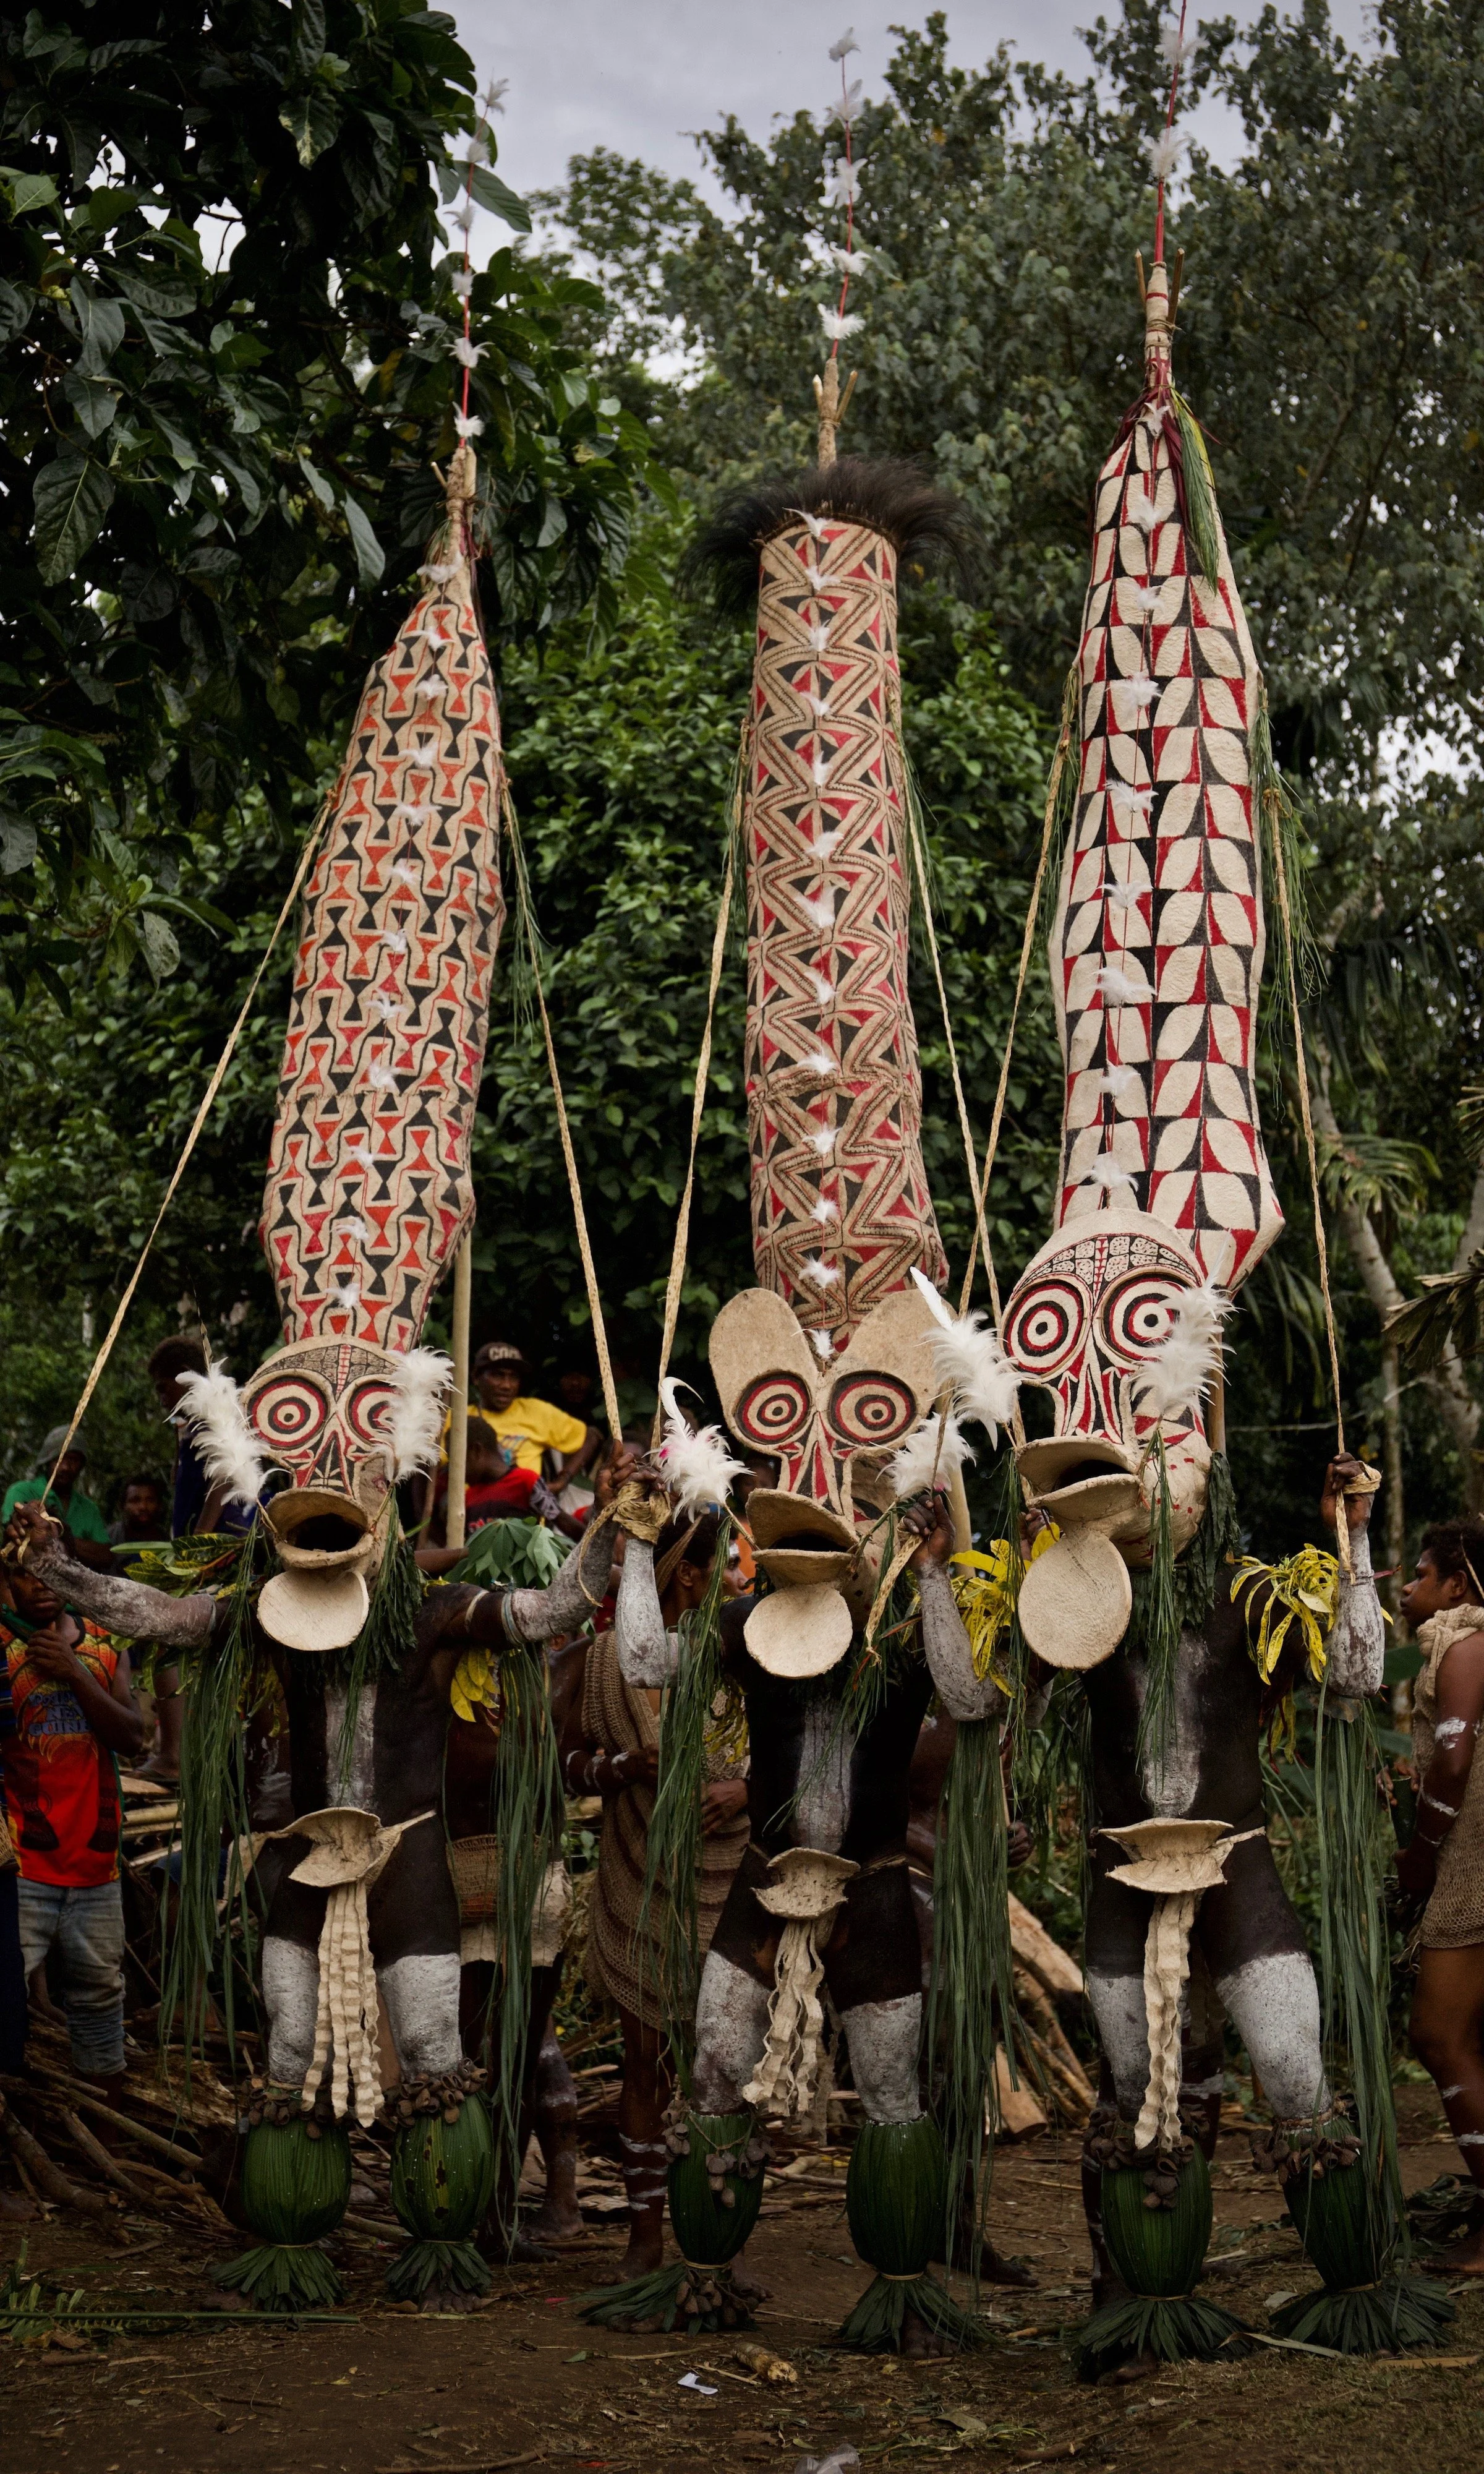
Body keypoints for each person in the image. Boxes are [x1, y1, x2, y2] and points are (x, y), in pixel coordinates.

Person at [565, 1505, 749, 2279]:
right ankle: (645, 2239)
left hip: (729, 1879)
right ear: (689, 1575)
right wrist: (617, 1772)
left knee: (722, 2062)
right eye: (730, 1566)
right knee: (643, 2061)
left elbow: (800, 1753)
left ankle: (716, 2240)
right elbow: (567, 1764)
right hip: (636, 1872)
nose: (744, 1579)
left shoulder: (748, 1649)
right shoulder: (604, 1659)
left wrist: (747, 1788)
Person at [0, 1536, 147, 2107]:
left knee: (99, 1999)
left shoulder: (105, 1644)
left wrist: (73, 1672)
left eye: (48, 1572)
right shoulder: (3, 1647)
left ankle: (108, 2128)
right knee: (7, 1996)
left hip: (94, 1863)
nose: (39, 1586)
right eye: (25, 1575)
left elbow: (133, 1736)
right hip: (23, 1862)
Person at [1396, 1516, 1484, 2273]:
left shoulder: (1463, 1644)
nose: (1408, 1585)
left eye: (1421, 1574)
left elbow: (1454, 1764)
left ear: (1457, 1586)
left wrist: (1422, 1854)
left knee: (1440, 2035)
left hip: (1471, 1862)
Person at [2, 1428, 113, 1573]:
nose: (66, 1467)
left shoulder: (89, 1508)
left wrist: (59, 1535)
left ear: (82, 1465)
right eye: (59, 1459)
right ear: (47, 1461)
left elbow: (106, 1555)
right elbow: (16, 1541)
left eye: (73, 1460)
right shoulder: (22, 1491)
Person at [108, 1473, 168, 1550]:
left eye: (150, 1501)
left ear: (159, 1505)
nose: (143, 1507)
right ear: (122, 1506)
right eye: (135, 1501)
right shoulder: (109, 1539)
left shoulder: (167, 1542)